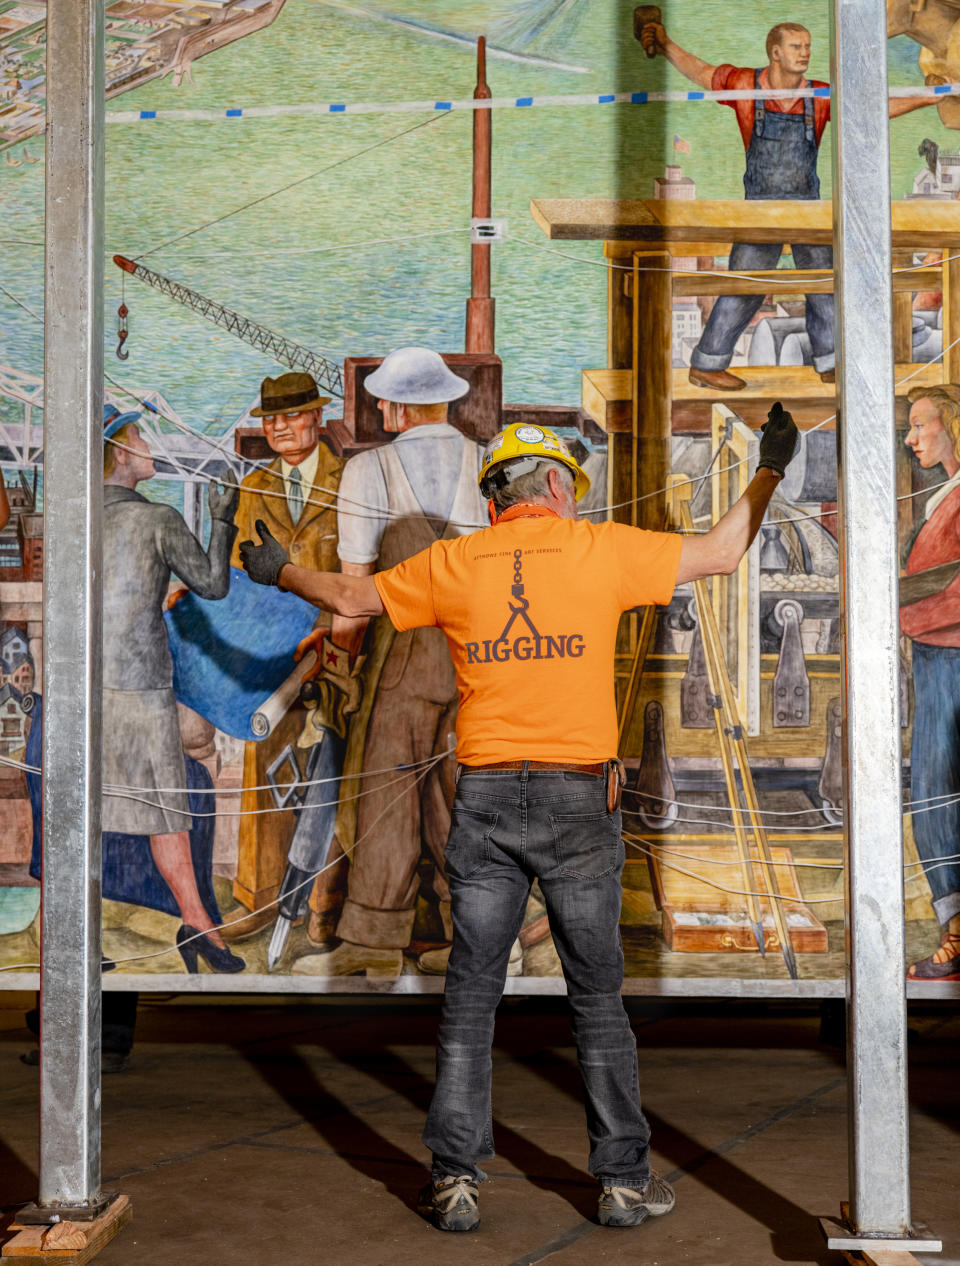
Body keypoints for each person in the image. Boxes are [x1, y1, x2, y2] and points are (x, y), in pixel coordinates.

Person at [239, 396, 800, 1230]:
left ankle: (457, 1182)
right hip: (580, 800)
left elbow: (352, 598)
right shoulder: (602, 549)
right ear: (559, 488)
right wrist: (771, 463)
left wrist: (278, 570)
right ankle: (621, 1183)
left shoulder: (458, 562)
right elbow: (723, 549)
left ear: (497, 499)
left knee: (471, 992)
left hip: (488, 796)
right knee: (597, 998)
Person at [295, 346, 489, 974]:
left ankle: (372, 948)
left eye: (385, 399)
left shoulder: (368, 470)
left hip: (403, 655)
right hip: (476, 658)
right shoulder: (486, 463)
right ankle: (484, 942)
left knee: (387, 794)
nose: (380, 407)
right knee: (460, 797)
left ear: (403, 406)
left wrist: (337, 659)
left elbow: (354, 599)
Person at [637, 19, 934, 391]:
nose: (805, 52)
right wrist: (664, 44)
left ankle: (830, 362)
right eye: (796, 46)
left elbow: (873, 109)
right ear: (775, 52)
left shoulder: (821, 95)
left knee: (824, 279)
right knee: (747, 284)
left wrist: (930, 97)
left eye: (807, 46)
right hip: (760, 210)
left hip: (807, 208)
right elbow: (701, 72)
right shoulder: (746, 86)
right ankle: (707, 365)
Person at [103, 403, 244, 973]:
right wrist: (223, 519)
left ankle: (81, 937)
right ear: (118, 451)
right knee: (166, 816)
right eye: (138, 435)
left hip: (87, 689)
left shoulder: (73, 517)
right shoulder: (157, 519)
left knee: (89, 812)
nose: (147, 443)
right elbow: (211, 584)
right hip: (139, 690)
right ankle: (201, 928)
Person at [228, 372, 344, 936]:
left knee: (338, 778)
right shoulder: (253, 485)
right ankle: (259, 899)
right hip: (274, 654)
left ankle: (326, 904)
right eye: (270, 419)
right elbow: (235, 567)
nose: (278, 428)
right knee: (264, 764)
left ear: (317, 419)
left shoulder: (351, 480)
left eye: (291, 416)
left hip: (340, 651)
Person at [899, 385, 960, 980]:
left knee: (938, 793)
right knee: (935, 792)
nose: (912, 437)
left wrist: (901, 610)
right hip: (936, 655)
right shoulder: (945, 494)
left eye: (923, 425)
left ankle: (956, 935)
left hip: (949, 658)